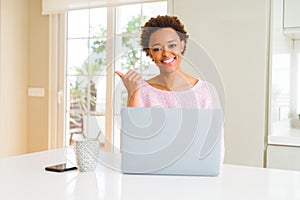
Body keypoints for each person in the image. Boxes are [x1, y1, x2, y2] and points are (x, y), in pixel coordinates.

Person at [115, 15, 224, 162]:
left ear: (182, 45)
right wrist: (133, 94)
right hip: (151, 176)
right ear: (149, 53)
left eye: (172, 45)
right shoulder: (141, 91)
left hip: (194, 177)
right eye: (157, 48)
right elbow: (130, 150)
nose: (166, 53)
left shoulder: (205, 91)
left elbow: (216, 149)